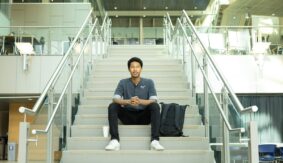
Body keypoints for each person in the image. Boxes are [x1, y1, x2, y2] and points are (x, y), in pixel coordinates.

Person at [105, 57, 164, 151]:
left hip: (144, 116)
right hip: (127, 116)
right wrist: (128, 101)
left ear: (141, 69)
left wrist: (140, 101)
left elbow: (153, 100)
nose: (135, 69)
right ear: (129, 69)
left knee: (155, 106)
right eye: (132, 67)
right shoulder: (123, 82)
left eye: (137, 67)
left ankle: (155, 141)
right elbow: (115, 98)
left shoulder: (149, 82)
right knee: (113, 106)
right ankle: (115, 140)